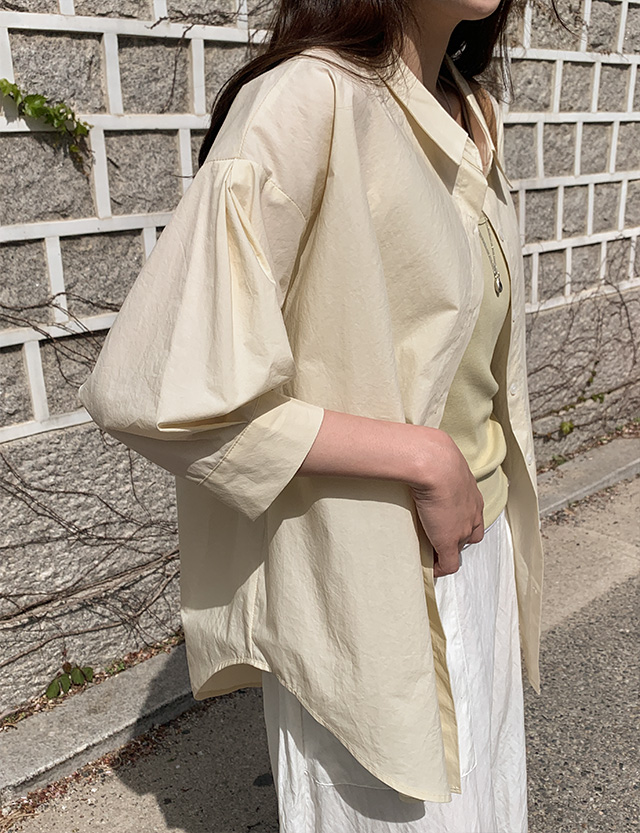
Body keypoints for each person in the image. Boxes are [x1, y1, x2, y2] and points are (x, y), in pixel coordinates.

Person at [78, 0, 554, 830]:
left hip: (482, 551)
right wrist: (421, 458)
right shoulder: (309, 99)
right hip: (363, 575)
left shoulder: (470, 108)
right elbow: (160, 392)